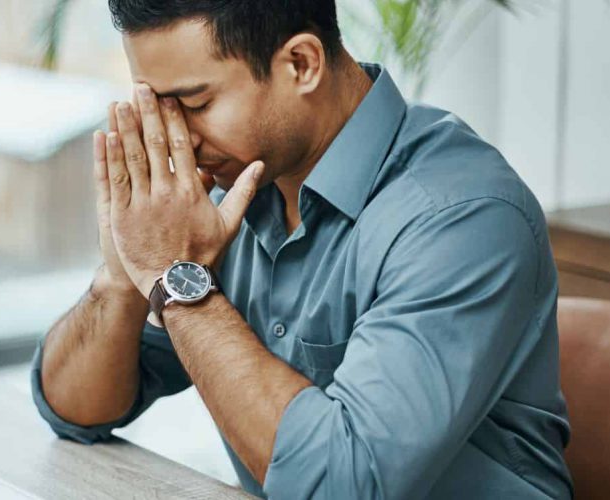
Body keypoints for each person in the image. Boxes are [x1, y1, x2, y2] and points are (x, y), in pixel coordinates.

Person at [30, 1, 572, 498]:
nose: (179, 137)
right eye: (159, 106)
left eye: (195, 102)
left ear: (301, 64)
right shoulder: (227, 191)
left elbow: (341, 484)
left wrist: (178, 279)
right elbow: (76, 410)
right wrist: (126, 273)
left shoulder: (461, 217)